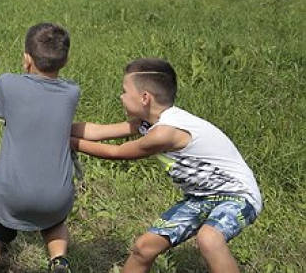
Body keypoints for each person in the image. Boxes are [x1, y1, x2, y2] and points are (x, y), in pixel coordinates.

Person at [71, 58, 262, 273]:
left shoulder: (166, 132)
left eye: (125, 91)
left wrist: (66, 142)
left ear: (145, 98)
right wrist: (55, 126)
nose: (121, 97)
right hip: (201, 198)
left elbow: (116, 152)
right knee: (143, 248)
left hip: (237, 195)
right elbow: (97, 132)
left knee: (209, 239)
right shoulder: (148, 123)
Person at [0, 23, 78, 273]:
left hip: (11, 195)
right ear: (65, 60)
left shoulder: (8, 84)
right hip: (56, 196)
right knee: (54, 222)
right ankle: (59, 260)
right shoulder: (72, 92)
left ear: (26, 59)